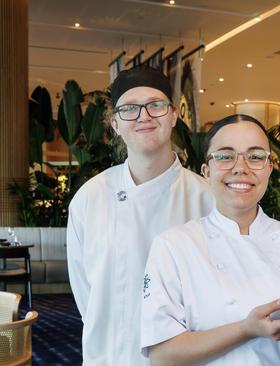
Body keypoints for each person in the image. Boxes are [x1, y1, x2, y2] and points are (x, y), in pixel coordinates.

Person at [140, 114, 280, 366]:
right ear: (207, 171)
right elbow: (162, 357)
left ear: (270, 167)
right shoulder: (174, 246)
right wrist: (245, 330)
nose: (241, 167)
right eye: (225, 156)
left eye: (256, 156)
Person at [66, 67, 215, 365]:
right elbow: (85, 293)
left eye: (156, 105)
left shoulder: (206, 198)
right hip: (109, 355)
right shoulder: (90, 197)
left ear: (174, 115)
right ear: (115, 124)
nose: (144, 116)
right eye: (130, 109)